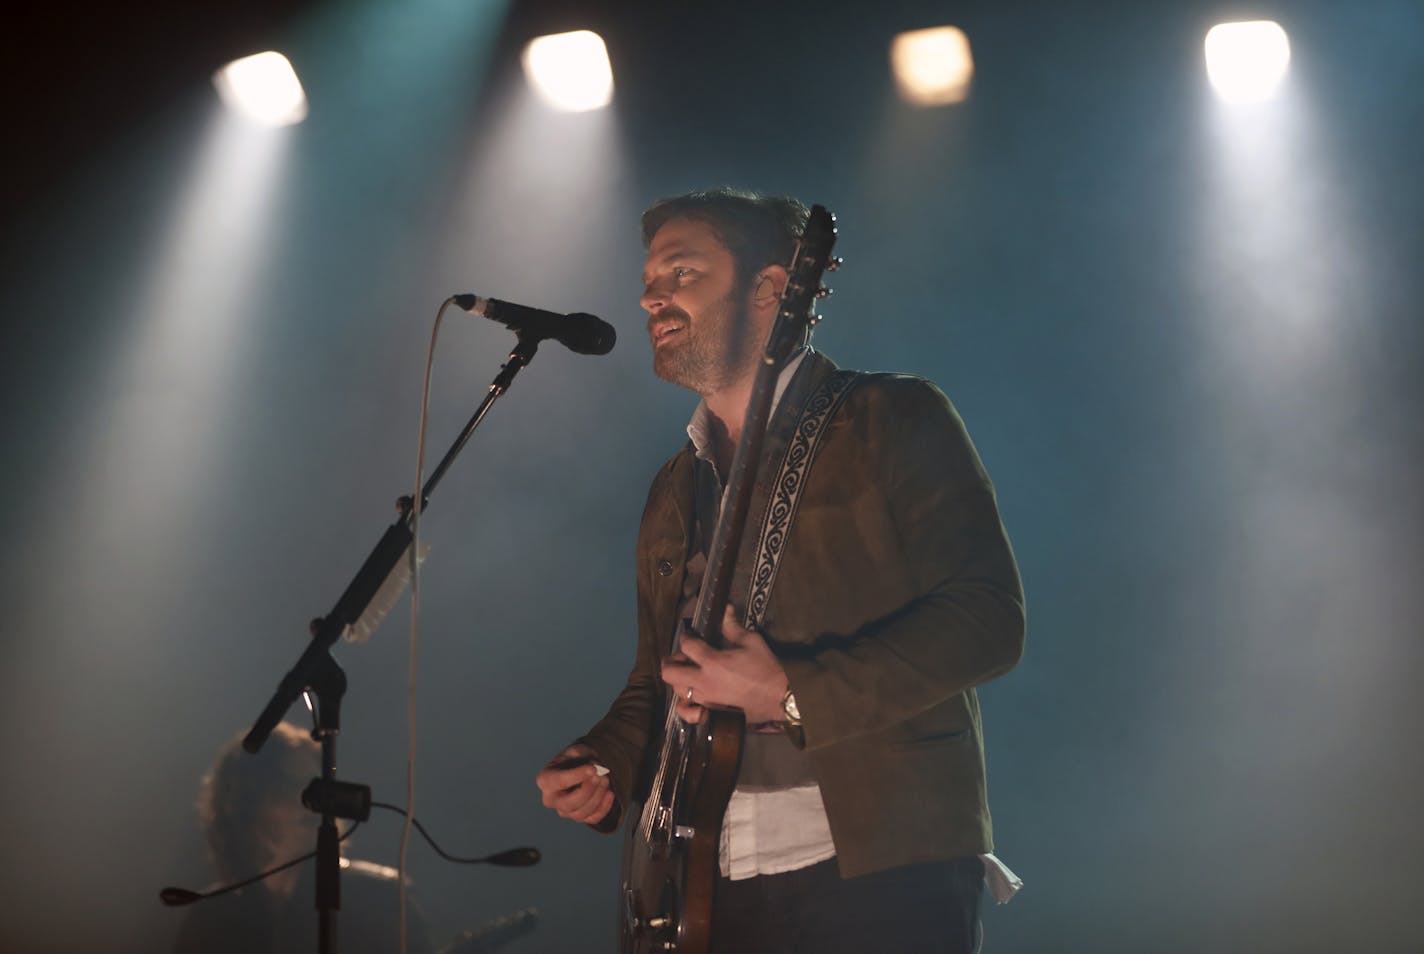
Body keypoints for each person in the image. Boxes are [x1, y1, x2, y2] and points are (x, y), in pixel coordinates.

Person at [535, 188, 1025, 953]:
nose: (648, 294)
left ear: (770, 290)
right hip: (702, 882)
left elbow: (988, 620)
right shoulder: (675, 485)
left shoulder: (890, 417)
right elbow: (657, 683)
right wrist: (606, 760)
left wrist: (794, 694)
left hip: (876, 868)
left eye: (682, 271)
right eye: (650, 276)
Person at [171, 722, 433, 954]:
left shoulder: (381, 898)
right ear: (248, 803)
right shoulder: (209, 920)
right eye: (293, 784)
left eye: (316, 784)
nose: (313, 800)